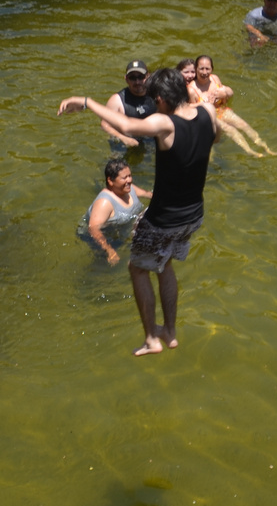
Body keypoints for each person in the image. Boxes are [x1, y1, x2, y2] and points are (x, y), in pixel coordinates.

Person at [58, 67, 218, 357]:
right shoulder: (208, 112)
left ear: (160, 99)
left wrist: (86, 102)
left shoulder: (165, 124)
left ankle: (151, 339)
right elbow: (214, 139)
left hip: (164, 219)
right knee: (164, 264)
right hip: (193, 215)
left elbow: (127, 126)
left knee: (137, 268)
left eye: (156, 102)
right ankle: (169, 331)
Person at [186, 55, 276, 157]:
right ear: (196, 69)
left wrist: (224, 94)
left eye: (207, 68)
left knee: (243, 125)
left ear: (212, 69)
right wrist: (204, 104)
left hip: (221, 109)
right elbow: (190, 111)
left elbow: (226, 98)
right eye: (201, 69)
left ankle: (264, 146)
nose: (204, 72)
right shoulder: (191, 90)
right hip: (210, 116)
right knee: (231, 130)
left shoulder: (215, 79)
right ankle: (250, 151)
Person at [77, 159, 151, 265]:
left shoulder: (130, 189)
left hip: (118, 233)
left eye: (130, 176)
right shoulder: (105, 202)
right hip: (98, 240)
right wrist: (109, 250)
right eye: (124, 178)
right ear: (111, 181)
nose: (129, 180)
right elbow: (93, 229)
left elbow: (148, 194)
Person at [104, 59, 158, 151]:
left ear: (148, 76)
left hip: (151, 139)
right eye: (132, 78)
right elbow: (105, 125)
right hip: (125, 142)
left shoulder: (157, 94)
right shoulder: (117, 100)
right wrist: (122, 138)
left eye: (141, 77)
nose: (137, 82)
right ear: (126, 79)